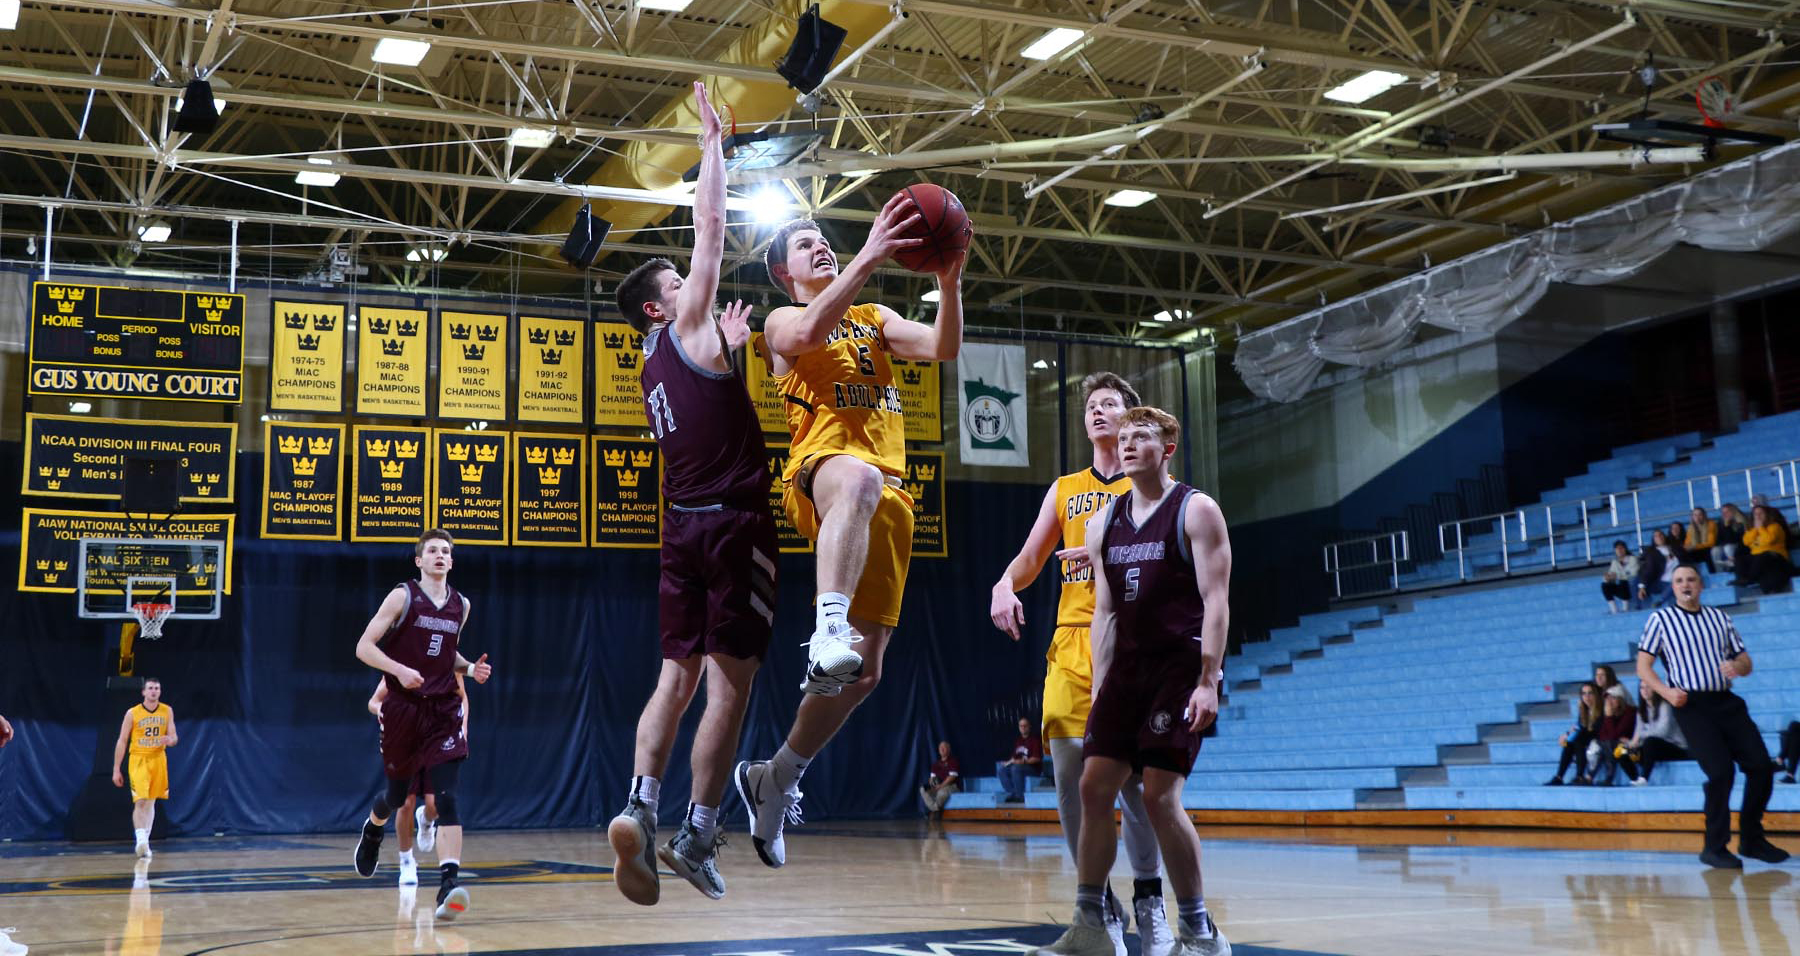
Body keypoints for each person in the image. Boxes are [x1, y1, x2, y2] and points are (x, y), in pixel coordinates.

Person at [735, 189, 966, 869]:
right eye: (804, 244)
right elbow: (806, 338)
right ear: (784, 272)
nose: (819, 244)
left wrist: (950, 283)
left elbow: (944, 348)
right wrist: (868, 254)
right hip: (822, 474)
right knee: (859, 481)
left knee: (864, 676)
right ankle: (826, 623)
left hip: (887, 499)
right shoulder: (780, 319)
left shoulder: (874, 317)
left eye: (822, 238)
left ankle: (775, 777)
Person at [606, 81, 774, 905]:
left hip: (680, 530)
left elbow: (708, 400)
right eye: (677, 282)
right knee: (729, 688)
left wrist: (732, 354)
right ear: (657, 303)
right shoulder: (685, 324)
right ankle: (699, 832)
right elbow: (710, 225)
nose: (690, 284)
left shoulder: (650, 366)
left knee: (673, 680)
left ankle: (639, 806)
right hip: (736, 527)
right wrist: (712, 146)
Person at [990, 371, 1174, 956]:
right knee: (1070, 776)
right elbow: (1029, 556)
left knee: (1137, 788)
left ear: (1131, 417)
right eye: (1092, 405)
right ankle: (1098, 913)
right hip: (1073, 644)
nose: (1098, 412)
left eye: (1111, 405)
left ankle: (1151, 901)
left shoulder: (1154, 488)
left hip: (1134, 646)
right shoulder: (1067, 489)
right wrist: (1003, 583)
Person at [1040, 406, 1232, 956]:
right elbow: (1104, 613)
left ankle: (1199, 930)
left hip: (1179, 667)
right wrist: (1102, 689)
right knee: (1092, 787)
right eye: (1122, 437)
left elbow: (1216, 600)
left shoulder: (1196, 510)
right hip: (1125, 672)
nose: (1127, 444)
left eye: (1140, 436)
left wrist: (1208, 679)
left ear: (1167, 448)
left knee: (1157, 796)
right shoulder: (1103, 522)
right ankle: (1091, 924)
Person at [352, 529, 493, 921]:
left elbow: (446, 654)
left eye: (446, 551)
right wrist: (399, 670)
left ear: (452, 560)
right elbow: (364, 647)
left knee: (446, 798)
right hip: (403, 708)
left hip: (443, 709)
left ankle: (449, 884)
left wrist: (470, 668)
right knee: (396, 797)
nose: (440, 556)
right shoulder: (403, 596)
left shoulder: (460, 605)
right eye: (432, 550)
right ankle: (373, 829)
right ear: (419, 560)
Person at [1637, 565, 1788, 868]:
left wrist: (1738, 667)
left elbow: (1745, 660)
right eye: (1678, 581)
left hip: (1726, 701)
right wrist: (1667, 693)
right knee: (1721, 773)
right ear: (1674, 588)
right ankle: (1714, 846)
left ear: (1701, 585)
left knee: (1760, 766)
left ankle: (1752, 839)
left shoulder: (1720, 618)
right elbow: (1644, 667)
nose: (1685, 584)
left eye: (1690, 579)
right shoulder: (1661, 619)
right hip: (1691, 706)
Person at [368, 676, 469, 887]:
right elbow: (374, 701)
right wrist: (383, 711)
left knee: (436, 805)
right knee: (404, 802)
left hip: (436, 738)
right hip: (406, 740)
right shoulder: (403, 663)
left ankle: (426, 820)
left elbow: (462, 697)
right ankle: (406, 861)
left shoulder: (445, 659)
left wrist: (463, 726)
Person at [111, 677, 177, 859]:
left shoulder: (167, 711)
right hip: (139, 759)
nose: (154, 691)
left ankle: (145, 842)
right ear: (143, 692)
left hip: (158, 759)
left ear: (160, 691)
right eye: (150, 688)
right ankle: (140, 839)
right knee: (140, 801)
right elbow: (122, 740)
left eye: (157, 688)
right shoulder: (132, 713)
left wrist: (170, 740)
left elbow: (174, 737)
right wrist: (116, 768)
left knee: (151, 802)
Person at [1622, 681, 1688, 785]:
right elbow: (1637, 733)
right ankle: (1635, 778)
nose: (1645, 690)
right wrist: (1631, 744)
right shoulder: (1641, 711)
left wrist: (1640, 736)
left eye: (1648, 687)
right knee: (1621, 751)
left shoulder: (1665, 705)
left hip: (1676, 747)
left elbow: (1663, 731)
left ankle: (1644, 778)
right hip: (1654, 750)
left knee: (1650, 742)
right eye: (1642, 688)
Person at [1546, 683, 1602, 786]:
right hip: (1585, 738)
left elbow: (1595, 730)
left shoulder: (1601, 710)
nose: (1587, 697)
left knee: (1578, 740)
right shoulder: (1584, 710)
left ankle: (1579, 776)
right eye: (1584, 694)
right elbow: (1579, 727)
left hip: (1599, 739)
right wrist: (1567, 735)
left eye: (1590, 693)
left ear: (1596, 695)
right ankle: (1559, 776)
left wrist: (1574, 733)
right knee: (1569, 743)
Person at [1736, 504, 1792, 594]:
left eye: (1760, 513)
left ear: (1767, 515)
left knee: (1763, 557)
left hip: (1776, 556)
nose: (1758, 516)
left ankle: (1750, 579)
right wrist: (1755, 529)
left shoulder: (1774, 526)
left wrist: (1761, 528)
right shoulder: (1751, 529)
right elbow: (1746, 541)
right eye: (1755, 514)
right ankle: (1742, 579)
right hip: (1758, 557)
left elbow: (1768, 541)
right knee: (1741, 559)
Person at [1590, 689, 1637, 786]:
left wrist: (1608, 717)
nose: (1609, 702)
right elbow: (1602, 736)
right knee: (1599, 745)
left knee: (1610, 744)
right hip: (1612, 747)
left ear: (1621, 700)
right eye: (1607, 699)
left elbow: (1613, 735)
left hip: (1631, 748)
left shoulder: (1629, 712)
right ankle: (1591, 777)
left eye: (1613, 698)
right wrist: (1608, 716)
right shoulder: (1607, 714)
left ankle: (1607, 777)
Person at [999, 717, 1044, 803]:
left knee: (1016, 768)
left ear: (1029, 727)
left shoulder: (1035, 740)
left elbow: (1037, 759)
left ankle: (1019, 796)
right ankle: (1013, 793)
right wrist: (1007, 763)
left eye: (1025, 726)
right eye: (1021, 726)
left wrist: (1023, 762)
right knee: (1002, 770)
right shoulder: (1018, 741)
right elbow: (1014, 757)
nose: (1023, 728)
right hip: (1019, 766)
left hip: (1033, 769)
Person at [919, 741, 960, 815]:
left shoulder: (953, 761)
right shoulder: (935, 764)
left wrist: (940, 786)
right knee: (923, 789)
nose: (942, 749)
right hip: (938, 786)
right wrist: (932, 785)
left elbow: (952, 777)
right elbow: (932, 778)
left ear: (948, 749)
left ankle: (934, 811)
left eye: (944, 747)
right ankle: (936, 809)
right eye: (940, 747)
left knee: (942, 792)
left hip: (951, 786)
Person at [1634, 536, 1671, 609]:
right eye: (1656, 536)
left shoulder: (1674, 549)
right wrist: (1642, 586)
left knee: (1675, 583)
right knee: (1636, 580)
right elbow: (1648, 570)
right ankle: (1639, 606)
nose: (1659, 538)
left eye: (1660, 535)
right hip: (1660, 581)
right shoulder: (1653, 554)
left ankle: (1660, 601)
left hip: (1674, 580)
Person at [1601, 541, 1638, 613]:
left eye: (1621, 548)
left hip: (1631, 586)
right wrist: (1608, 577)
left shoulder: (1632, 559)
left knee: (1623, 581)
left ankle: (1625, 608)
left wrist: (1617, 576)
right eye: (1617, 549)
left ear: (1625, 549)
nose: (1619, 550)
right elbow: (1611, 573)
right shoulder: (1614, 562)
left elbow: (1633, 573)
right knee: (1604, 585)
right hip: (1621, 587)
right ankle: (1614, 609)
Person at [1714, 503, 1748, 572]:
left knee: (1728, 547)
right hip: (1726, 544)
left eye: (1727, 512)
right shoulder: (1721, 523)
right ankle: (1719, 572)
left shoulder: (1741, 521)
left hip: (1741, 545)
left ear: (1733, 512)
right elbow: (1718, 539)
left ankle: (1735, 567)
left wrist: (1727, 527)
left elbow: (1738, 539)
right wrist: (1726, 526)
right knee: (1715, 550)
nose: (1724, 514)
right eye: (1723, 512)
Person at [1686, 508, 1719, 574]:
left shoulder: (1711, 524)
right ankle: (1690, 574)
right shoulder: (1691, 527)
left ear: (1704, 516)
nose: (1697, 517)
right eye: (1695, 515)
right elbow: (1687, 542)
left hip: (1709, 548)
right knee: (1686, 554)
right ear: (1692, 517)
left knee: (1708, 552)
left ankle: (1713, 573)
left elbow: (1711, 543)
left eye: (1700, 515)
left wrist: (1695, 546)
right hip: (1698, 550)